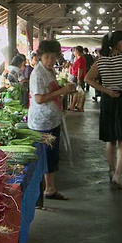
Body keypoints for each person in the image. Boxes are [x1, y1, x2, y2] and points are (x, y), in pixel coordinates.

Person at [85, 31, 122, 190]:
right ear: (120, 43)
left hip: (108, 100)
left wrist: (105, 91)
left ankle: (111, 170)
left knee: (110, 139)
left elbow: (87, 78)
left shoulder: (100, 60)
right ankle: (118, 175)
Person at [29, 40, 75, 200]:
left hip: (52, 119)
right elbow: (40, 98)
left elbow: (51, 92)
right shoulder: (38, 74)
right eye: (46, 57)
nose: (50, 61)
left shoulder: (49, 71)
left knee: (52, 155)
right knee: (46, 157)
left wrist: (64, 89)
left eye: (53, 57)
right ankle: (46, 190)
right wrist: (62, 90)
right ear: (40, 56)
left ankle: (50, 188)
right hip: (42, 122)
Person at [69, 46, 87, 112]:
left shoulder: (80, 59)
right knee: (79, 93)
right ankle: (77, 106)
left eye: (75, 51)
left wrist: (78, 79)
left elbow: (80, 69)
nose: (74, 52)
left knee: (79, 93)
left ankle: (78, 107)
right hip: (76, 77)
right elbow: (76, 67)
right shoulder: (78, 59)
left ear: (77, 51)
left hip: (78, 77)